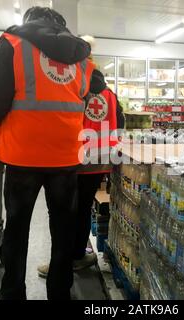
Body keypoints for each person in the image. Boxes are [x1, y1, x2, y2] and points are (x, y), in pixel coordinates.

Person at [0, 6, 94, 300]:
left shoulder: (13, 45)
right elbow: (85, 95)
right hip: (65, 157)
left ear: (30, 23)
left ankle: (13, 292)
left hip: (23, 155)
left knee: (17, 227)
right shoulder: (81, 57)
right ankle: (59, 292)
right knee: (63, 227)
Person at [37, 69, 125, 277]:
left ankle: (62, 263)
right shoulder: (110, 95)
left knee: (64, 211)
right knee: (84, 208)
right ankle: (77, 256)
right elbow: (120, 122)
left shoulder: (75, 92)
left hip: (75, 158)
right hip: (100, 159)